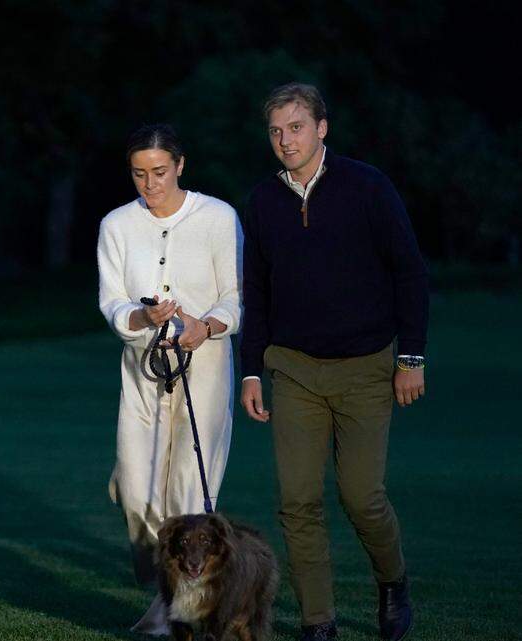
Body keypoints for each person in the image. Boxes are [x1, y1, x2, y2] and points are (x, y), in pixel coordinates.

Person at [240, 83, 426, 641]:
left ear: (322, 128)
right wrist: (251, 370)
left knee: (361, 497)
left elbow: (409, 271)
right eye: (276, 131)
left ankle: (393, 582)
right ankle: (318, 623)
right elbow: (257, 291)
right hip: (294, 368)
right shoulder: (262, 200)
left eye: (296, 127)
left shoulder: (368, 187)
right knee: (297, 501)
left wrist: (411, 356)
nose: (285, 140)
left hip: (366, 366)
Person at [97, 124, 243, 635]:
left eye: (159, 172)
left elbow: (235, 296)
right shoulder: (116, 225)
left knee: (189, 494)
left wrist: (206, 326)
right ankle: (157, 574)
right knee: (136, 493)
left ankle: (171, 608)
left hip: (205, 369)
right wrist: (142, 318)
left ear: (180, 165)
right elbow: (112, 300)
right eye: (139, 174)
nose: (150, 184)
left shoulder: (218, 217)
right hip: (142, 372)